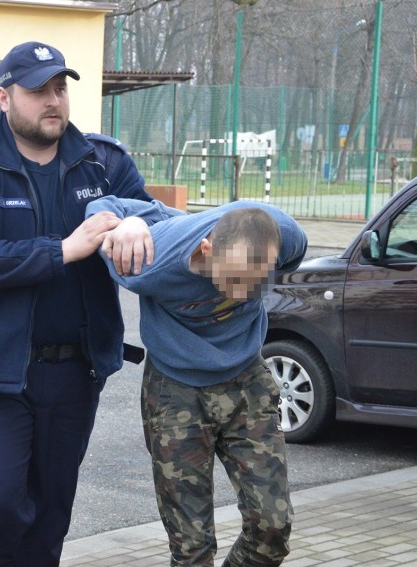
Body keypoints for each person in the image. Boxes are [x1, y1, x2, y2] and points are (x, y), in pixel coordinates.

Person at [0, 41, 151, 566]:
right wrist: (64, 249)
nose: (53, 100)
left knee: (52, 511)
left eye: (59, 88)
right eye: (37, 91)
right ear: (4, 98)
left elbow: (153, 222)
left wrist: (142, 221)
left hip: (74, 369)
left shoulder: (105, 162)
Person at [86, 196, 306, 567]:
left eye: (255, 283)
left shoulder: (287, 236)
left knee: (272, 528)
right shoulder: (146, 262)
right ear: (206, 249)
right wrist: (126, 222)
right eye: (233, 279)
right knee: (192, 549)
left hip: (246, 381)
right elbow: (102, 207)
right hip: (176, 391)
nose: (240, 293)